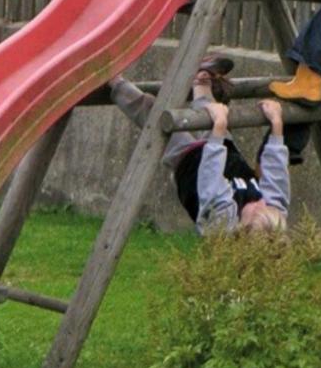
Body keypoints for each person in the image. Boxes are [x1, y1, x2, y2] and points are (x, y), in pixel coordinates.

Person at [109, 54, 307, 235]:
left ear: (242, 224)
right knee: (209, 108)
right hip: (226, 153)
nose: (261, 202)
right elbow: (276, 176)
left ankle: (113, 80)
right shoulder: (272, 214)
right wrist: (277, 125)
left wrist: (220, 126)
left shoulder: (223, 222)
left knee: (153, 113)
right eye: (267, 205)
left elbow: (210, 177)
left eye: (257, 208)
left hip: (191, 162)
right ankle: (202, 77)